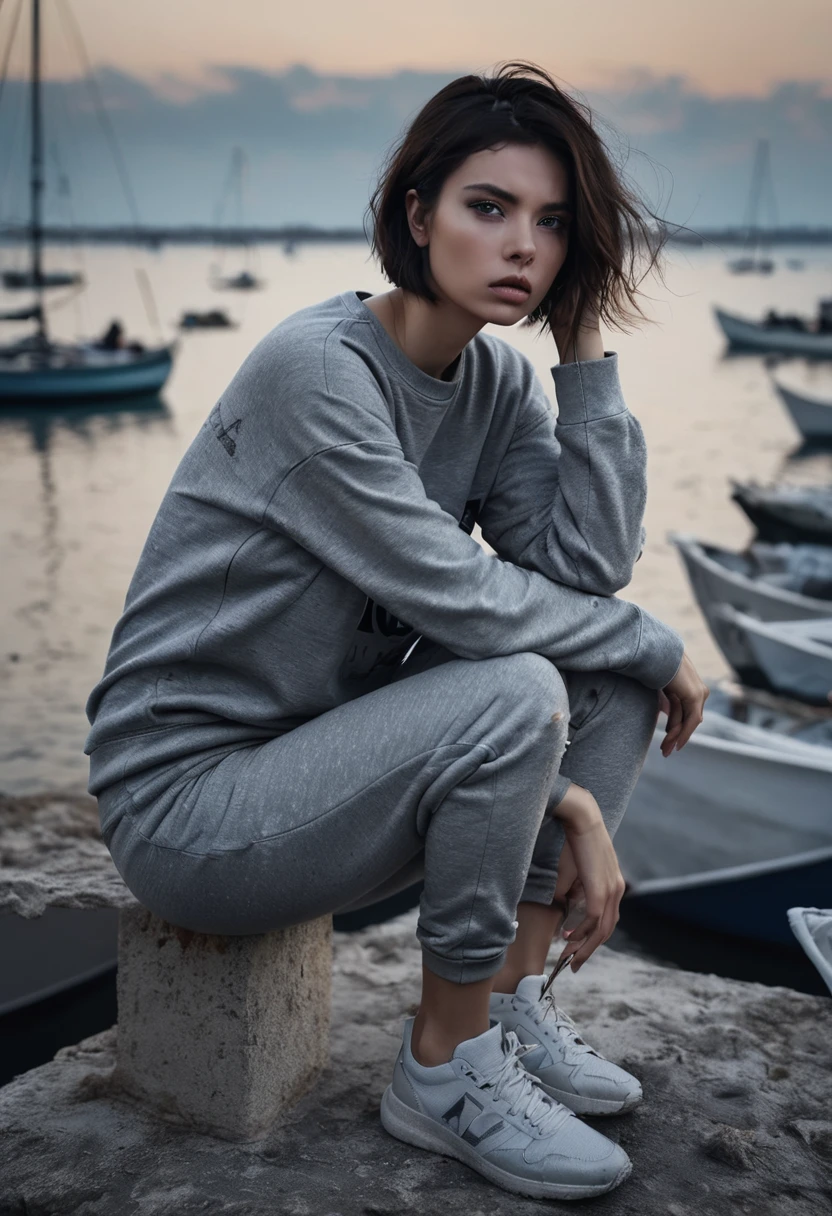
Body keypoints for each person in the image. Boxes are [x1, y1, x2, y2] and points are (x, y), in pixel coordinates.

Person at [84, 60, 708, 1201]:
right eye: (489, 207)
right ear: (416, 216)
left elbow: (581, 571)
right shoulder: (315, 373)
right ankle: (442, 1068)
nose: (524, 245)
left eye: (552, 222)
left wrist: (582, 361)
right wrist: (650, 656)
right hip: (192, 804)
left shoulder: (498, 386)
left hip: (328, 756)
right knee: (552, 677)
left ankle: (509, 1010)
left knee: (601, 668)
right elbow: (462, 603)